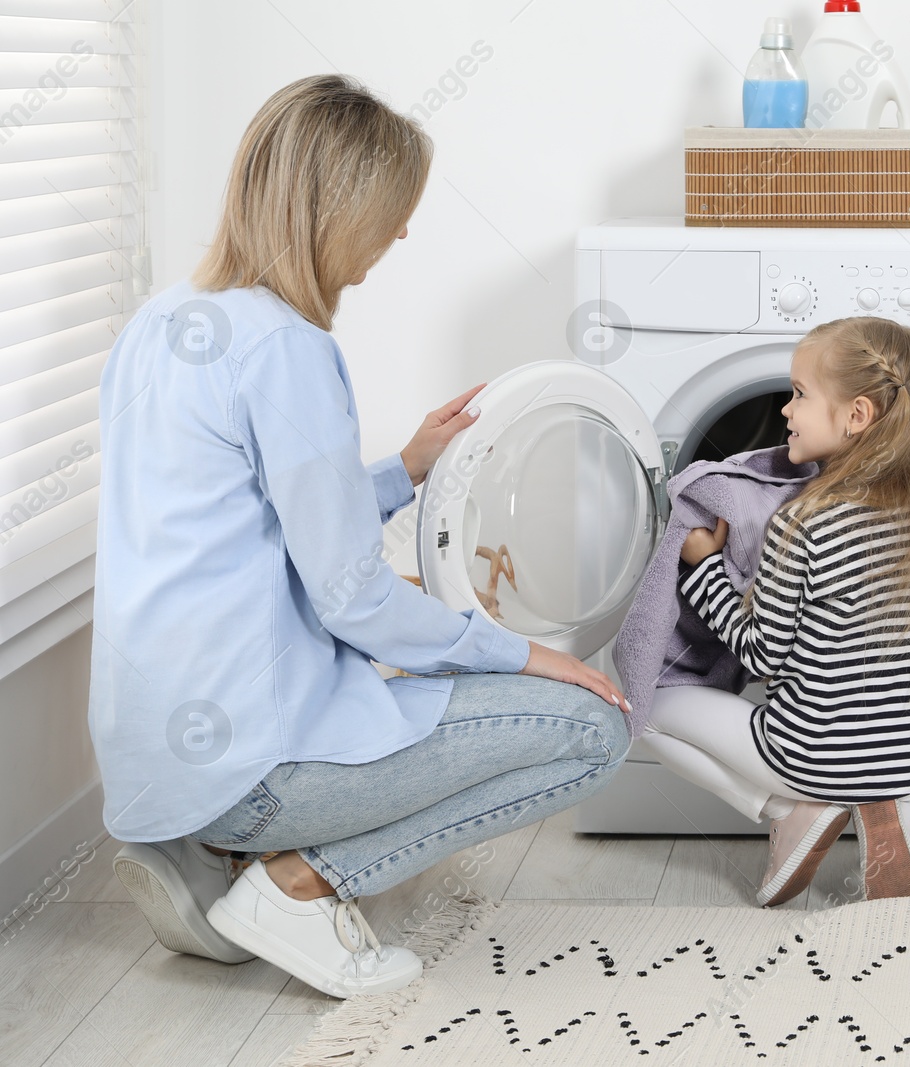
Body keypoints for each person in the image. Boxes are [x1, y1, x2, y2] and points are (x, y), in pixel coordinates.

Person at [89, 74, 631, 1000]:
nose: (403, 232)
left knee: (413, 690)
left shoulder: (166, 321)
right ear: (334, 206)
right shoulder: (288, 349)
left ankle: (209, 853)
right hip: (249, 762)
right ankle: (294, 881)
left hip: (155, 754)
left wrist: (401, 469)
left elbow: (247, 513)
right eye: (393, 210)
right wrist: (526, 653)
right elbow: (355, 601)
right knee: (593, 728)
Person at [644, 315, 910, 907]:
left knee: (644, 704)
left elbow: (761, 654)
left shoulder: (802, 521)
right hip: (900, 760)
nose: (786, 411)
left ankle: (794, 810)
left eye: (798, 395)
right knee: (871, 751)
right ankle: (881, 807)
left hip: (806, 753)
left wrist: (705, 568)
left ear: (857, 416)